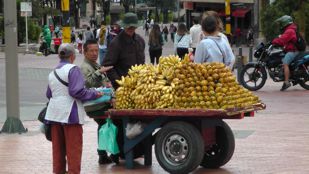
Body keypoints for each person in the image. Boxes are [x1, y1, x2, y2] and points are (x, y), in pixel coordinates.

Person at [45, 43, 102, 174]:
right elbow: (76, 91)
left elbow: (49, 94)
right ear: (73, 56)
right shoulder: (73, 69)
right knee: (73, 151)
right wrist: (94, 93)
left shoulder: (52, 73)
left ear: (59, 56)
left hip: (54, 115)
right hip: (71, 114)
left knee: (58, 151)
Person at [102, 12, 145, 161]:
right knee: (120, 123)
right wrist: (119, 83)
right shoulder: (116, 43)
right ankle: (117, 153)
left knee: (139, 120)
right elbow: (107, 65)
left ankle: (137, 150)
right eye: (128, 28)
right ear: (123, 27)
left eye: (133, 27)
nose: (131, 30)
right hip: (122, 88)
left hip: (139, 88)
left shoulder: (140, 40)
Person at [80, 39, 114, 165]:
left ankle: (105, 154)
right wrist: (99, 72)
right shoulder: (85, 67)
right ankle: (104, 154)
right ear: (85, 52)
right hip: (95, 105)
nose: (94, 53)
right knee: (106, 124)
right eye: (91, 51)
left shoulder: (95, 64)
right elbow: (88, 82)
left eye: (96, 50)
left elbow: (102, 82)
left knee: (105, 125)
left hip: (102, 101)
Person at [272, 15, 298, 91]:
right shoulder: (290, 29)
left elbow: (282, 40)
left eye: (282, 23)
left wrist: (273, 41)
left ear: (285, 23)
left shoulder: (290, 30)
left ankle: (286, 82)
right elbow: (283, 39)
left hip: (292, 51)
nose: (281, 25)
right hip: (290, 50)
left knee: (285, 63)